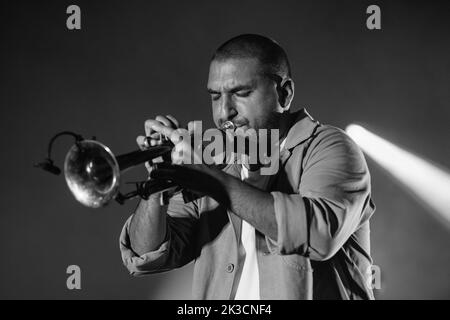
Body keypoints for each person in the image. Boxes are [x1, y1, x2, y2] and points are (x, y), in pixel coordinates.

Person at [119, 34, 376, 300]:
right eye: (215, 96)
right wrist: (157, 183)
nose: (223, 112)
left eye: (240, 93)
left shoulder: (330, 148)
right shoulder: (216, 161)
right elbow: (147, 256)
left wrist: (210, 178)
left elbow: (319, 235)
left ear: (284, 93)